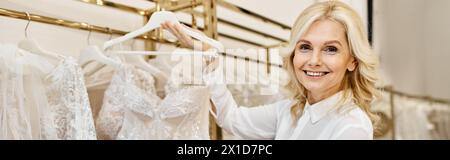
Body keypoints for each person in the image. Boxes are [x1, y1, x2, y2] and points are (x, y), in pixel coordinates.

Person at [161, 1, 380, 140]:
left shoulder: (351, 127)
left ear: (352, 60)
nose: (314, 60)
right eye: (305, 47)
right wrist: (208, 56)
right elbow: (232, 119)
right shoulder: (290, 111)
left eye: (330, 49)